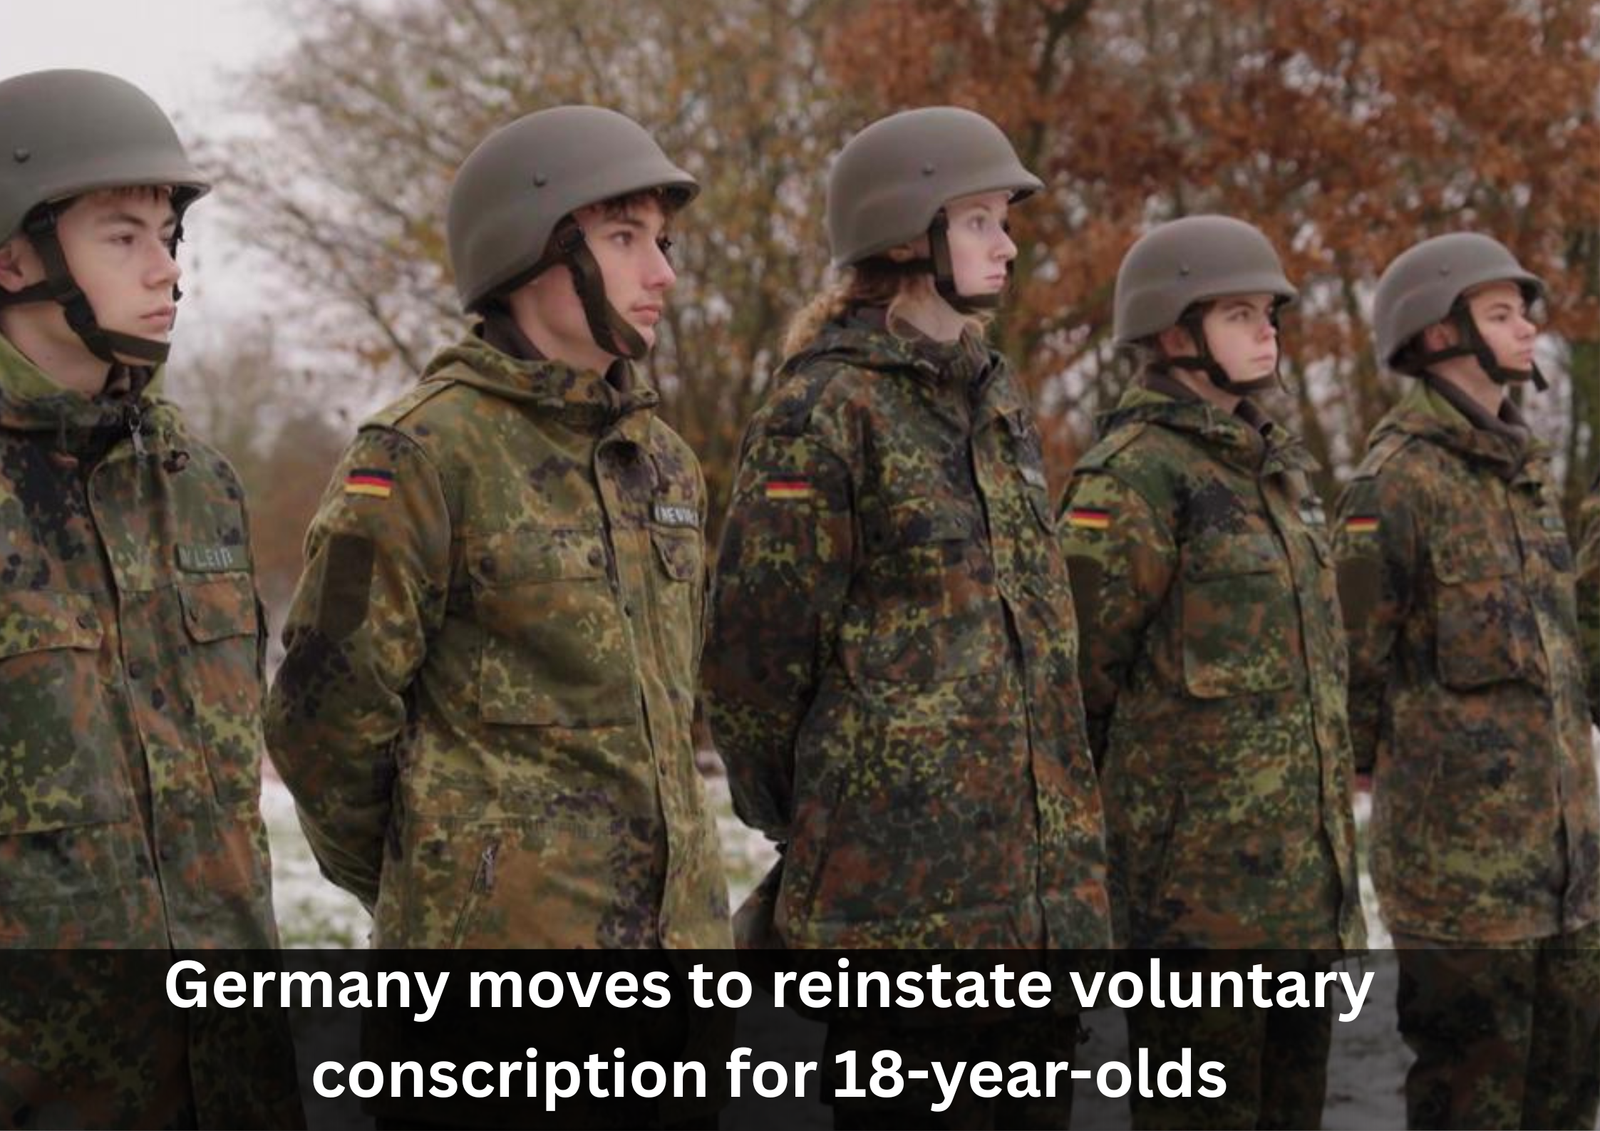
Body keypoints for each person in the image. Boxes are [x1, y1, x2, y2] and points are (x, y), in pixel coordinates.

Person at [703, 105, 1110, 1129]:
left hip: (1033, 915)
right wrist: (832, 817)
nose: (1007, 244)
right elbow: (754, 667)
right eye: (979, 220)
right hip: (903, 919)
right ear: (903, 233)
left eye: (1003, 221)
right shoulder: (823, 411)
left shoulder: (994, 401)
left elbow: (1036, 648)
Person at [264, 106, 730, 952]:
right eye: (625, 238)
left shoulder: (663, 463)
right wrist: (439, 884)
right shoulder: (418, 455)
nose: (662, 272)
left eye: (663, 242)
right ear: (528, 249)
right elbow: (322, 720)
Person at [0, 68, 299, 1126]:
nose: (166, 266)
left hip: (234, 1078)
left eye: (168, 235)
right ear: (14, 258)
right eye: (122, 235)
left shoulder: (197, 485)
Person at [1058, 215, 1365, 1128]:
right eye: (1239, 314)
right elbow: (1072, 689)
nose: (1267, 330)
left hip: (1300, 899)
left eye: (1269, 312)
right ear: (1172, 333)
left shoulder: (1278, 476)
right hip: (1193, 910)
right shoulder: (1131, 481)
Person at [1335, 232, 1600, 1130]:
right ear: (1439, 333)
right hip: (1461, 892)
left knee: (1566, 1102)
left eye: (1523, 312)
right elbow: (1348, 670)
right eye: (1500, 313)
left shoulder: (1525, 479)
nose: (1528, 328)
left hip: (1566, 881)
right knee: (1469, 1107)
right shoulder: (1395, 484)